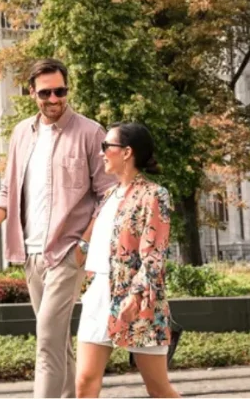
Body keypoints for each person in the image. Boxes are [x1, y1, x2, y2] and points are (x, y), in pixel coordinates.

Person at [0, 58, 116, 398]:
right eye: (46, 93)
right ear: (31, 92)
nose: (54, 100)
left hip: (67, 252)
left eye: (60, 91)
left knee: (47, 342)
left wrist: (84, 244)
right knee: (58, 341)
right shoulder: (22, 133)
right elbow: (8, 190)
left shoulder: (90, 132)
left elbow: (108, 194)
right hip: (30, 253)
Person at [75, 123, 179, 398]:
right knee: (85, 381)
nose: (102, 154)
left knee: (157, 388)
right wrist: (81, 248)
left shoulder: (154, 195)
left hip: (138, 298)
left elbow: (155, 254)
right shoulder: (110, 195)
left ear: (126, 152)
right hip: (99, 293)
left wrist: (134, 296)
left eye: (106, 147)